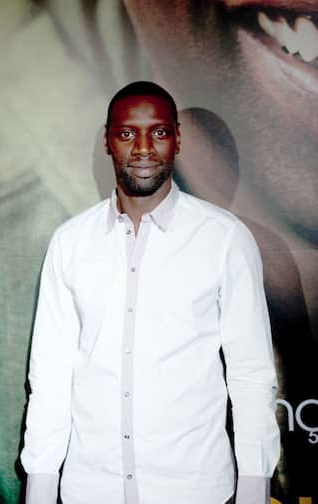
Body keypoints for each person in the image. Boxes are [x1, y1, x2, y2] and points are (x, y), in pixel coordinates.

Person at [21, 81, 280, 504]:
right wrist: (41, 489)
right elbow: (50, 378)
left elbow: (251, 375)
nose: (143, 147)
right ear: (108, 141)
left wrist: (254, 489)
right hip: (91, 491)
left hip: (193, 491)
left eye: (158, 132)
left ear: (177, 138)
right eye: (127, 133)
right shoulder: (70, 243)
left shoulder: (225, 240)